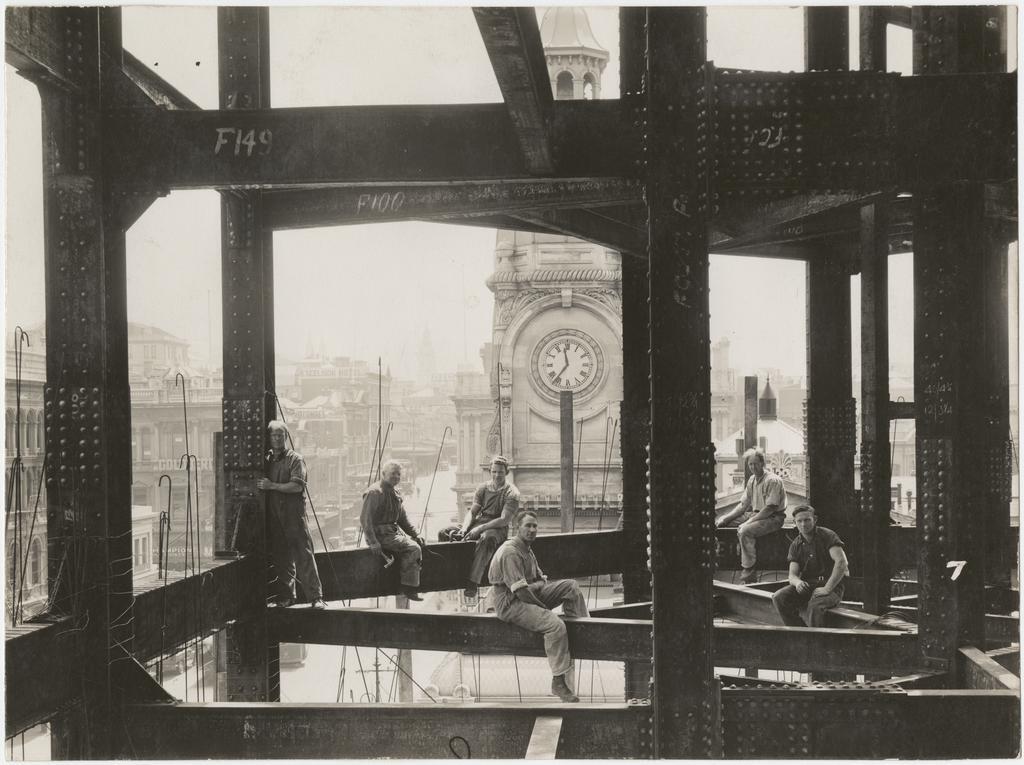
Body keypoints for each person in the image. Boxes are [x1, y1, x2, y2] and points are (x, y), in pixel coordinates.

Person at [488, 510, 589, 703]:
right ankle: (558, 682)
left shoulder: (527, 549)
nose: (532, 530)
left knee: (571, 587)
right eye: (528, 525)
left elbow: (542, 580)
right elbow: (521, 592)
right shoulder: (511, 551)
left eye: (535, 526)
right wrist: (544, 607)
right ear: (517, 528)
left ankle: (582, 630)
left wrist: (537, 586)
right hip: (510, 603)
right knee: (555, 625)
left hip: (527, 593)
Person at [257, 420, 326, 609]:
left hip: (294, 517)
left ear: (286, 437)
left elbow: (297, 485)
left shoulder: (295, 459)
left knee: (304, 556)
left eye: (281, 435)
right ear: (269, 438)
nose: (277, 438)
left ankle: (315, 597)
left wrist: (273, 486)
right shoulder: (268, 460)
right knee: (282, 558)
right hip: (275, 517)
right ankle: (287, 597)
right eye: (273, 435)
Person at [715, 447, 787, 583]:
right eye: (750, 464)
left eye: (755, 463)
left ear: (762, 463)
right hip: (756, 514)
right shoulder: (752, 480)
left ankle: (749, 570)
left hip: (773, 518)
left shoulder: (772, 480)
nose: (753, 467)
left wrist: (747, 522)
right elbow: (743, 505)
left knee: (745, 531)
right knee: (724, 523)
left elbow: (770, 509)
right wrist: (726, 518)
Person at [771, 504, 849, 627]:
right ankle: (800, 633)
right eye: (799, 521)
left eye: (807, 520)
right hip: (809, 585)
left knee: (815, 605)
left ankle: (815, 642)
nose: (803, 524)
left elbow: (841, 562)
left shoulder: (827, 536)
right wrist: (797, 583)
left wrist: (827, 588)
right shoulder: (796, 544)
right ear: (795, 522)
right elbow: (792, 575)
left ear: (815, 519)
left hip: (832, 587)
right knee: (779, 597)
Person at [361, 460, 427, 601]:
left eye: (398, 474)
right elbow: (365, 520)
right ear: (383, 474)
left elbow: (402, 519)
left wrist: (416, 534)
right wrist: (373, 542)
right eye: (392, 474)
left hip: (392, 534)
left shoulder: (394, 493)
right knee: (414, 549)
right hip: (380, 535)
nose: (396, 477)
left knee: (417, 543)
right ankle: (409, 588)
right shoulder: (374, 492)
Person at [460, 456, 520, 600]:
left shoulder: (511, 492)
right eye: (494, 472)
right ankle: (456, 574)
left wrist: (479, 529)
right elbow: (473, 512)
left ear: (506, 472)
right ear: (490, 471)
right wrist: (464, 527)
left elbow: (504, 519)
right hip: (481, 522)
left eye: (500, 472)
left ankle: (473, 582)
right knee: (448, 533)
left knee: (487, 538)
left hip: (498, 527)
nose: (496, 475)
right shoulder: (483, 488)